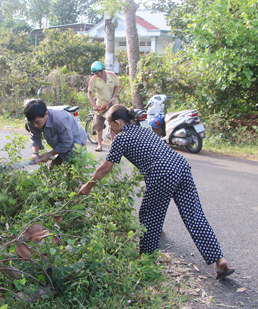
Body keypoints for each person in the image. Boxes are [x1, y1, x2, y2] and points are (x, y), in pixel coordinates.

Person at [78, 104, 234, 279]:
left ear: (119, 122)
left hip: (162, 172)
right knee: (194, 215)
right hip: (180, 165)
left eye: (109, 124)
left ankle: (146, 261)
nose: (109, 128)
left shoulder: (121, 139)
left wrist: (88, 186)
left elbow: (105, 168)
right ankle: (219, 260)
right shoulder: (144, 131)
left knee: (148, 216)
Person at [24, 100, 87, 168]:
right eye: (32, 122)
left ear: (46, 114)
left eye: (37, 122)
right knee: (52, 168)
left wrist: (49, 154)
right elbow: (35, 137)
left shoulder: (59, 120)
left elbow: (67, 142)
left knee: (73, 172)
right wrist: (35, 153)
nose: (35, 125)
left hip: (75, 142)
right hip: (60, 144)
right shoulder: (31, 120)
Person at [87, 61, 119, 151]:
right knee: (98, 124)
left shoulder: (111, 75)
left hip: (112, 104)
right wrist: (94, 105)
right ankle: (100, 144)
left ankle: (113, 144)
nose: (96, 74)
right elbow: (89, 92)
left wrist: (113, 98)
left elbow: (116, 86)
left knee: (112, 124)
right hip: (101, 105)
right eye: (94, 73)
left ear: (101, 70)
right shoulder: (94, 79)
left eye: (97, 72)